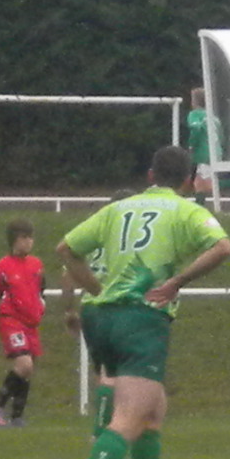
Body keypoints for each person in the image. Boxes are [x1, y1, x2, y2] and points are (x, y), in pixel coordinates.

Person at [57, 145, 230, 459]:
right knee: (129, 416)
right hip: (141, 318)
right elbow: (223, 247)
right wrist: (178, 280)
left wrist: (96, 287)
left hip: (101, 318)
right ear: (188, 181)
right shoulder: (184, 209)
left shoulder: (118, 208)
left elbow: (66, 249)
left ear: (150, 175)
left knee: (152, 412)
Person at [62, 188, 137, 440]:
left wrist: (69, 309)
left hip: (90, 310)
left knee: (102, 371)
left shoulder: (93, 234)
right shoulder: (132, 239)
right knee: (118, 372)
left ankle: (106, 422)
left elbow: (68, 273)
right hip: (118, 307)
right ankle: (105, 429)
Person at [0, 219, 45, 426]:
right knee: (24, 364)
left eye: (31, 237)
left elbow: (41, 292)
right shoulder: (2, 267)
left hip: (31, 323)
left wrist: (41, 309)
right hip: (11, 320)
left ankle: (17, 416)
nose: (29, 242)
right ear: (14, 240)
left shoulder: (37, 265)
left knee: (28, 369)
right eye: (24, 237)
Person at [186, 87, 219, 207]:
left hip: (203, 152)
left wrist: (191, 145)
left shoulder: (194, 114)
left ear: (194, 101)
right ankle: (199, 206)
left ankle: (199, 207)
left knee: (202, 183)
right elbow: (221, 134)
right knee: (201, 181)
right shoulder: (213, 116)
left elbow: (196, 128)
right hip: (216, 150)